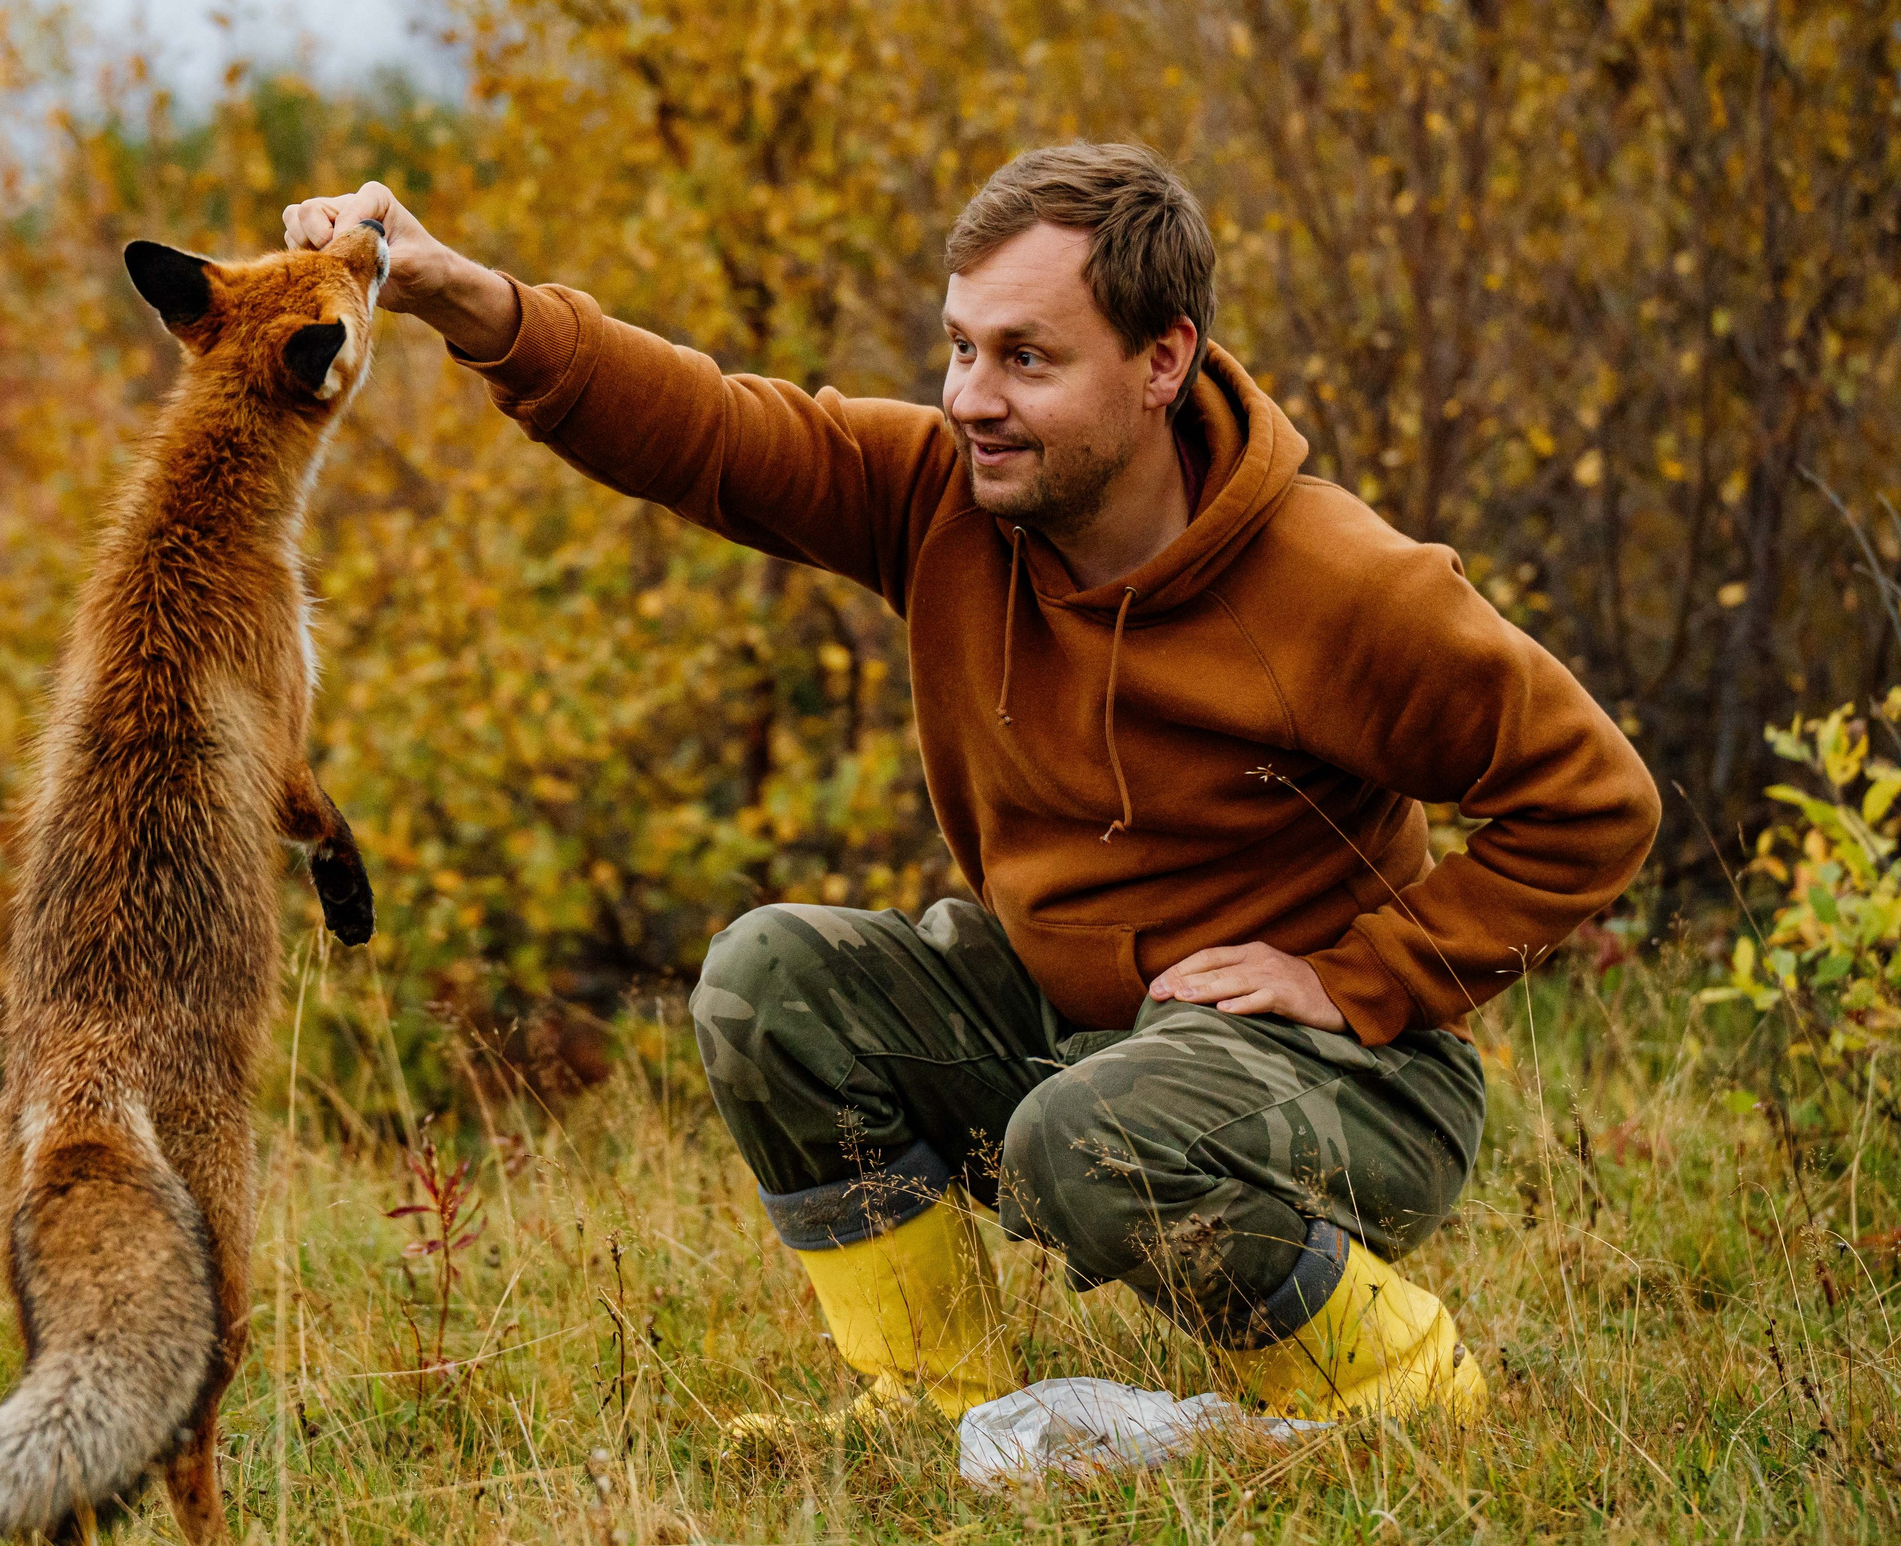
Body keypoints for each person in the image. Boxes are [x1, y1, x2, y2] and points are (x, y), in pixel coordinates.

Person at [282, 143, 1659, 1433]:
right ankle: (932, 1397)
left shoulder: (1346, 586)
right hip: (1084, 1029)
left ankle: (1403, 1397)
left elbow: (1596, 801)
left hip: (1352, 1079)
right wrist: (464, 295)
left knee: (1088, 1136)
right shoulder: (946, 495)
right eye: (959, 347)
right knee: (771, 977)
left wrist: (1363, 975)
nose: (970, 397)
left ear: (1161, 360)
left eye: (1025, 358)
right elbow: (705, 431)